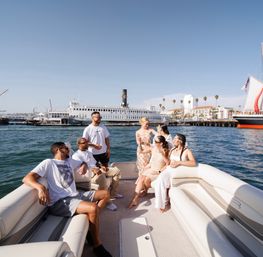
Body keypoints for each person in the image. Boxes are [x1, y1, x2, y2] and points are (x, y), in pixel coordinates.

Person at [22, 142, 112, 257]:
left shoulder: (69, 161)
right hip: (61, 202)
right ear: (59, 149)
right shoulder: (48, 163)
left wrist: (84, 164)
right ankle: (97, 245)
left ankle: (91, 224)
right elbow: (27, 178)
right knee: (93, 208)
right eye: (66, 148)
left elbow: (83, 162)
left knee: (105, 194)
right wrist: (40, 187)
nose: (69, 150)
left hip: (76, 196)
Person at [72, 137, 121, 211]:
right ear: (78, 144)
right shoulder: (76, 156)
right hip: (89, 175)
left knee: (116, 171)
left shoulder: (88, 152)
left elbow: (95, 162)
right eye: (84, 143)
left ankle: (113, 194)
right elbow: (80, 170)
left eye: (87, 142)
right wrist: (93, 169)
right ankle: (108, 202)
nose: (86, 144)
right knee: (101, 177)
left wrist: (102, 166)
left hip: (98, 169)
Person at [152, 134, 196, 212]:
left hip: (178, 172)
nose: (173, 140)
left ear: (180, 141)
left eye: (175, 139)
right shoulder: (172, 150)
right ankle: (161, 204)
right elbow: (168, 162)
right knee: (159, 182)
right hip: (169, 170)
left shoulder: (186, 151)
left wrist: (179, 162)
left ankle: (164, 203)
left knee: (161, 181)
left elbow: (193, 163)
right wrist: (160, 170)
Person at [128, 135, 170, 208]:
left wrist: (159, 171)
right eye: (154, 141)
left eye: (156, 142)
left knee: (146, 180)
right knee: (142, 177)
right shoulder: (153, 148)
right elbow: (141, 152)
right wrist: (140, 143)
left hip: (157, 172)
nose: (154, 143)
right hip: (151, 170)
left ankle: (144, 192)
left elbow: (167, 163)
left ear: (161, 143)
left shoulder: (166, 151)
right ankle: (135, 199)